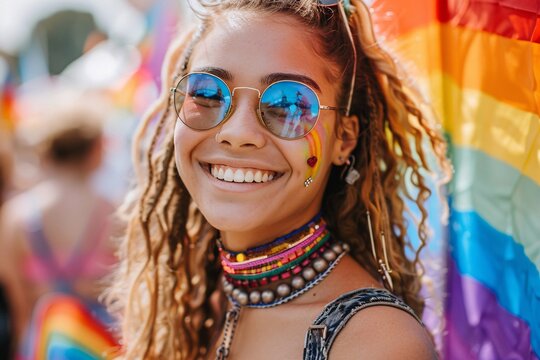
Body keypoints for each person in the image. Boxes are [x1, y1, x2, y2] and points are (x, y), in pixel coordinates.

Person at [106, 0, 451, 358]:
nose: (238, 133)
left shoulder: (374, 343)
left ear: (344, 139)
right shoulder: (193, 307)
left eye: (288, 105)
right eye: (208, 93)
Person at [0, 98, 117, 357]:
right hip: (101, 345)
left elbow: (19, 311)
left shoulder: (15, 217)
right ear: (95, 150)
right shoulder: (115, 214)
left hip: (41, 345)